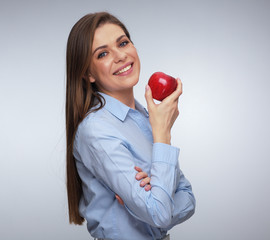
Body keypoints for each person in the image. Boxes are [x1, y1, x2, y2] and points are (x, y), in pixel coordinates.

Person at [65, 12, 195, 240]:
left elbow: (188, 196)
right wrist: (162, 135)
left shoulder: (146, 117)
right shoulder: (96, 131)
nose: (120, 56)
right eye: (103, 53)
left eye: (123, 43)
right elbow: (159, 214)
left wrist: (154, 200)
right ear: (88, 73)